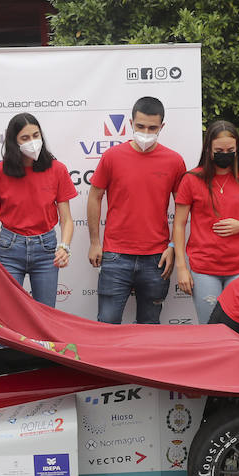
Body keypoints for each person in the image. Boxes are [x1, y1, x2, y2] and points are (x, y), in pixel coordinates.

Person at [86, 96, 187, 324]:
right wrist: (94, 242)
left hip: (157, 259)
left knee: (150, 326)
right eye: (140, 126)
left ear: (162, 127)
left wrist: (173, 246)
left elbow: (182, 207)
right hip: (115, 256)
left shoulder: (174, 161)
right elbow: (95, 196)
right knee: (107, 324)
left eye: (152, 128)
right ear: (131, 123)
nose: (145, 131)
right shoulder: (112, 157)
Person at [172, 120, 239, 323]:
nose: (225, 153)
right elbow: (179, 224)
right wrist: (181, 267)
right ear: (208, 150)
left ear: (237, 150)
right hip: (204, 268)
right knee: (210, 328)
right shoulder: (191, 179)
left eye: (230, 149)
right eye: (219, 150)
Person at [0, 113, 77, 307]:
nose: (33, 142)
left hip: (46, 249)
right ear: (14, 141)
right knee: (9, 315)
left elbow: (67, 219)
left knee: (46, 315)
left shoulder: (58, 170)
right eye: (25, 138)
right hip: (9, 249)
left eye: (36, 135)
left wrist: (64, 246)